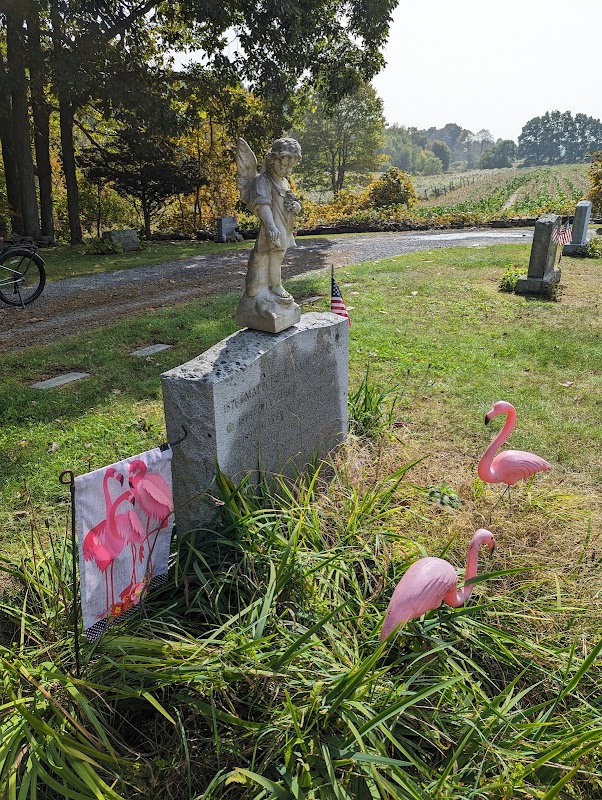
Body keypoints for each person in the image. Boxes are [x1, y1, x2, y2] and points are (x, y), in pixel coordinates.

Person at [239, 138, 302, 314]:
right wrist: (271, 227)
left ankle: (273, 287)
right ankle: (275, 286)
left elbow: (290, 201)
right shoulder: (263, 180)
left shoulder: (283, 181)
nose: (287, 170)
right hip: (273, 229)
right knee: (275, 257)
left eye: (290, 167)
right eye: (284, 166)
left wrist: (296, 206)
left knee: (278, 258)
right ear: (273, 160)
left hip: (284, 226)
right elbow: (263, 205)